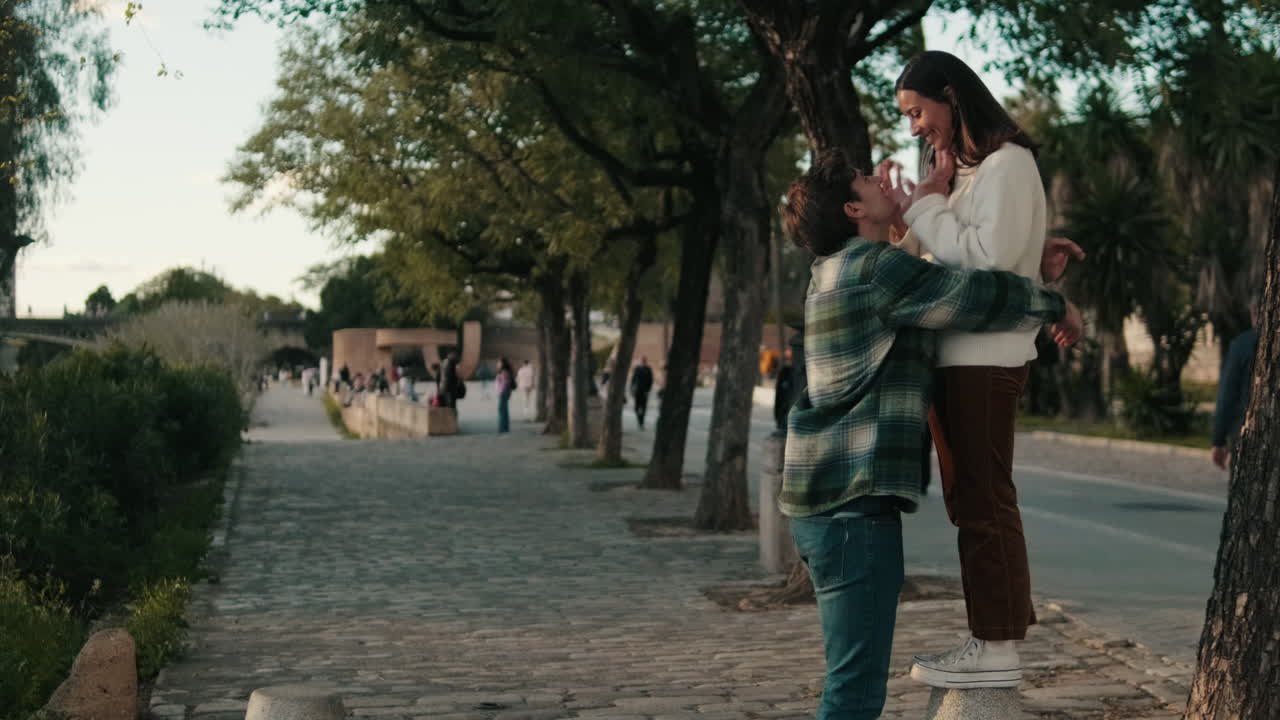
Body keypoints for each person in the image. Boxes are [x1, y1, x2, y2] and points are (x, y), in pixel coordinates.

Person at [779, 149, 1081, 719]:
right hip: (849, 513)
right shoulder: (874, 271)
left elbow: (932, 279)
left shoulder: (841, 268)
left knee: (851, 681)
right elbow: (972, 298)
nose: (881, 179)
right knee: (854, 689)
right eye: (869, 180)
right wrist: (1056, 304)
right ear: (852, 208)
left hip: (829, 507)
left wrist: (927, 210)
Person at [883, 50, 1085, 690]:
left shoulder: (1008, 164)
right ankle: (990, 637)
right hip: (958, 358)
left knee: (985, 502)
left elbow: (988, 263)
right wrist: (915, 210)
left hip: (985, 359)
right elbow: (935, 262)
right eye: (907, 117)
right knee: (971, 501)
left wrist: (927, 209)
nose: (914, 127)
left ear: (950, 94)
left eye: (918, 111)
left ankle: (997, 648)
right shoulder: (968, 174)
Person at [1212, 294, 1261, 469]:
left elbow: (1227, 395)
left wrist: (1218, 440)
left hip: (1248, 431)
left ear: (1254, 312)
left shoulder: (1242, 345)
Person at [630, 356, 654, 429]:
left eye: (644, 360)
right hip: (637, 391)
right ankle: (639, 419)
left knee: (643, 407)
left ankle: (641, 422)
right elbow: (633, 379)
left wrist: (648, 390)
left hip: (645, 391)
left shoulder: (648, 369)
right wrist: (631, 389)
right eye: (642, 360)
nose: (643, 362)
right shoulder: (637, 368)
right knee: (636, 407)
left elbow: (651, 380)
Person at [495, 357, 515, 433]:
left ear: (502, 364)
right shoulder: (505, 371)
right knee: (504, 410)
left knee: (501, 410)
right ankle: (505, 427)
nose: (497, 364)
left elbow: (505, 383)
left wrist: (500, 392)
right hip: (504, 392)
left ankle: (502, 428)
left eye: (499, 363)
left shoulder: (504, 372)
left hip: (503, 393)